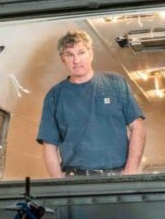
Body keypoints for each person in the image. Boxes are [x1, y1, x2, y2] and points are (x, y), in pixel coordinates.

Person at [37, 30, 146, 178]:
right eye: (70, 55)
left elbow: (138, 127)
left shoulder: (116, 83)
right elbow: (49, 145)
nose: (76, 60)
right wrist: (59, 183)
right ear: (63, 59)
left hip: (117, 177)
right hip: (75, 179)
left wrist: (131, 171)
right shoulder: (54, 96)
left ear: (91, 54)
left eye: (81, 53)